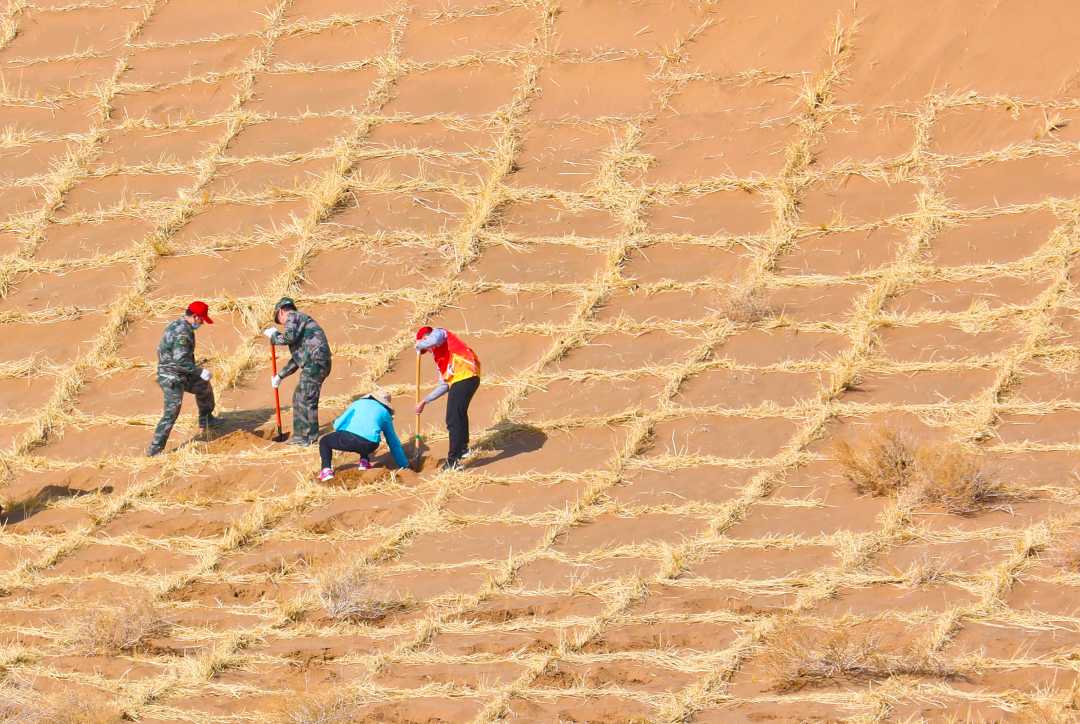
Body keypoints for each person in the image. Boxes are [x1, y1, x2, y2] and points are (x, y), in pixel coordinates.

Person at [148, 301, 217, 456]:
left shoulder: (178, 323)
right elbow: (180, 361)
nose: (202, 323)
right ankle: (155, 450)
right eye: (201, 320)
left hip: (181, 373)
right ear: (195, 316)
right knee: (171, 413)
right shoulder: (183, 333)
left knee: (203, 386)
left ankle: (207, 420)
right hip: (172, 377)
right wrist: (199, 371)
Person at [262, 297, 332, 446]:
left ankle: (305, 437)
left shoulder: (293, 316)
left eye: (278, 320)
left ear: (281, 311)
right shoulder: (302, 325)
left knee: (304, 397)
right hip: (317, 362)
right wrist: (280, 376)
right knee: (303, 396)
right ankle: (307, 436)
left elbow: (288, 337)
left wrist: (274, 336)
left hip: (315, 362)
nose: (282, 324)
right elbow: (297, 359)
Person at [414, 326, 480, 471]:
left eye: (427, 347)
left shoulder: (440, 333)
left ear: (426, 337)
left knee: (453, 419)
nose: (429, 350)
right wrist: (425, 401)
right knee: (459, 415)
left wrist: (419, 344)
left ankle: (453, 461)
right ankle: (462, 449)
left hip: (466, 375)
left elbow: (435, 338)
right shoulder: (440, 359)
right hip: (465, 379)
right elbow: (444, 385)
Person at [317, 389, 409, 481]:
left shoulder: (358, 403)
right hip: (371, 445)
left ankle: (326, 470)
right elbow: (393, 442)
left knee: (324, 441)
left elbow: (337, 425)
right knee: (366, 437)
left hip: (349, 439)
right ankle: (364, 462)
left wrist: (343, 430)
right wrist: (404, 464)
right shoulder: (385, 413)